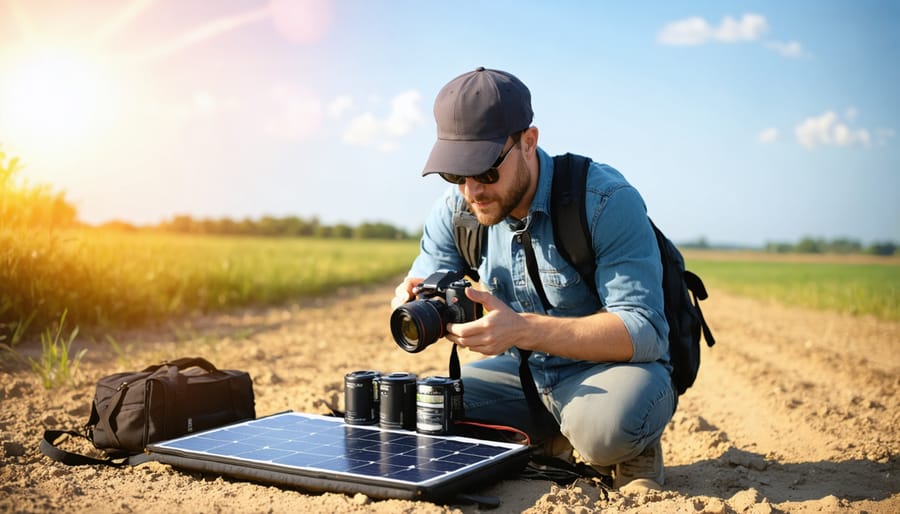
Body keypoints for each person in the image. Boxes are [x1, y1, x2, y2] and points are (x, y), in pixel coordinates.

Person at [391, 67, 675, 491]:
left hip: (609, 372)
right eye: (455, 173)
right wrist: (412, 299)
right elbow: (423, 279)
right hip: (523, 373)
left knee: (604, 432)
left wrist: (521, 329)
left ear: (528, 142)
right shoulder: (457, 209)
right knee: (423, 412)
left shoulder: (605, 202)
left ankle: (632, 447)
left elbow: (645, 329)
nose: (472, 190)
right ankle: (548, 434)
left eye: (486, 170)